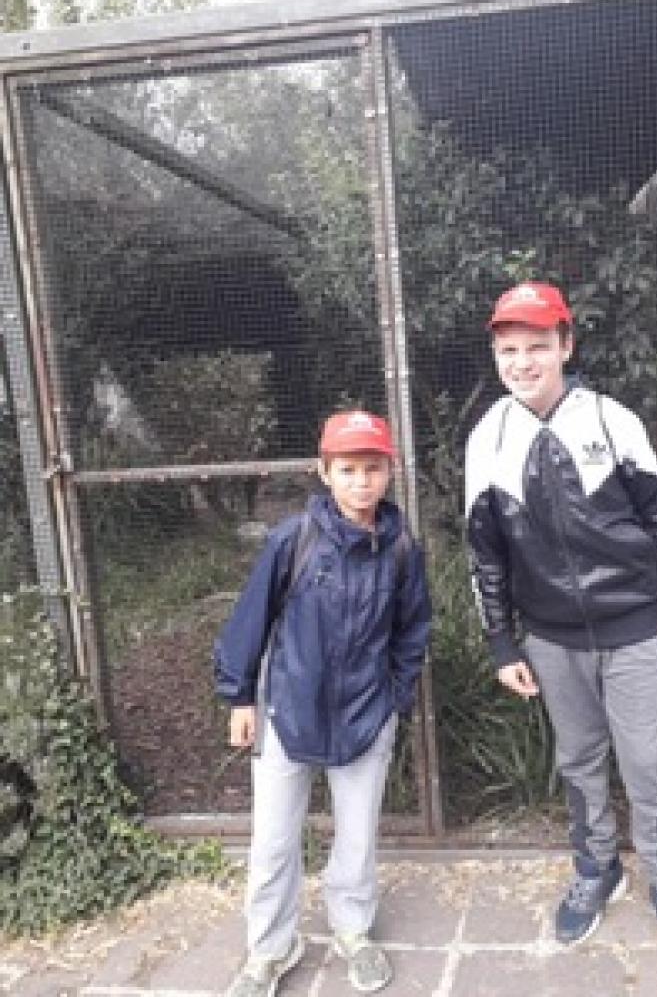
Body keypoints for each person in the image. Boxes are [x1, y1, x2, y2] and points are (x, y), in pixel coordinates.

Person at [464, 281, 657, 980]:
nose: (523, 362)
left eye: (537, 346)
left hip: (633, 628)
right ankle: (595, 867)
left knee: (645, 761)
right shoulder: (488, 438)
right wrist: (502, 641)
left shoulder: (611, 420)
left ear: (566, 345)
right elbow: (486, 551)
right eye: (509, 350)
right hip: (550, 638)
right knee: (578, 759)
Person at [215, 410, 432, 996]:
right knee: (273, 843)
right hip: (288, 711)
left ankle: (353, 932)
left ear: (390, 471)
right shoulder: (295, 540)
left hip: (366, 714)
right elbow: (250, 620)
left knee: (357, 837)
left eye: (372, 468)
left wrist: (394, 698)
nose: (361, 482)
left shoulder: (401, 548)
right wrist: (240, 696)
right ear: (324, 471)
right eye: (348, 469)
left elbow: (413, 631)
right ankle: (270, 950)